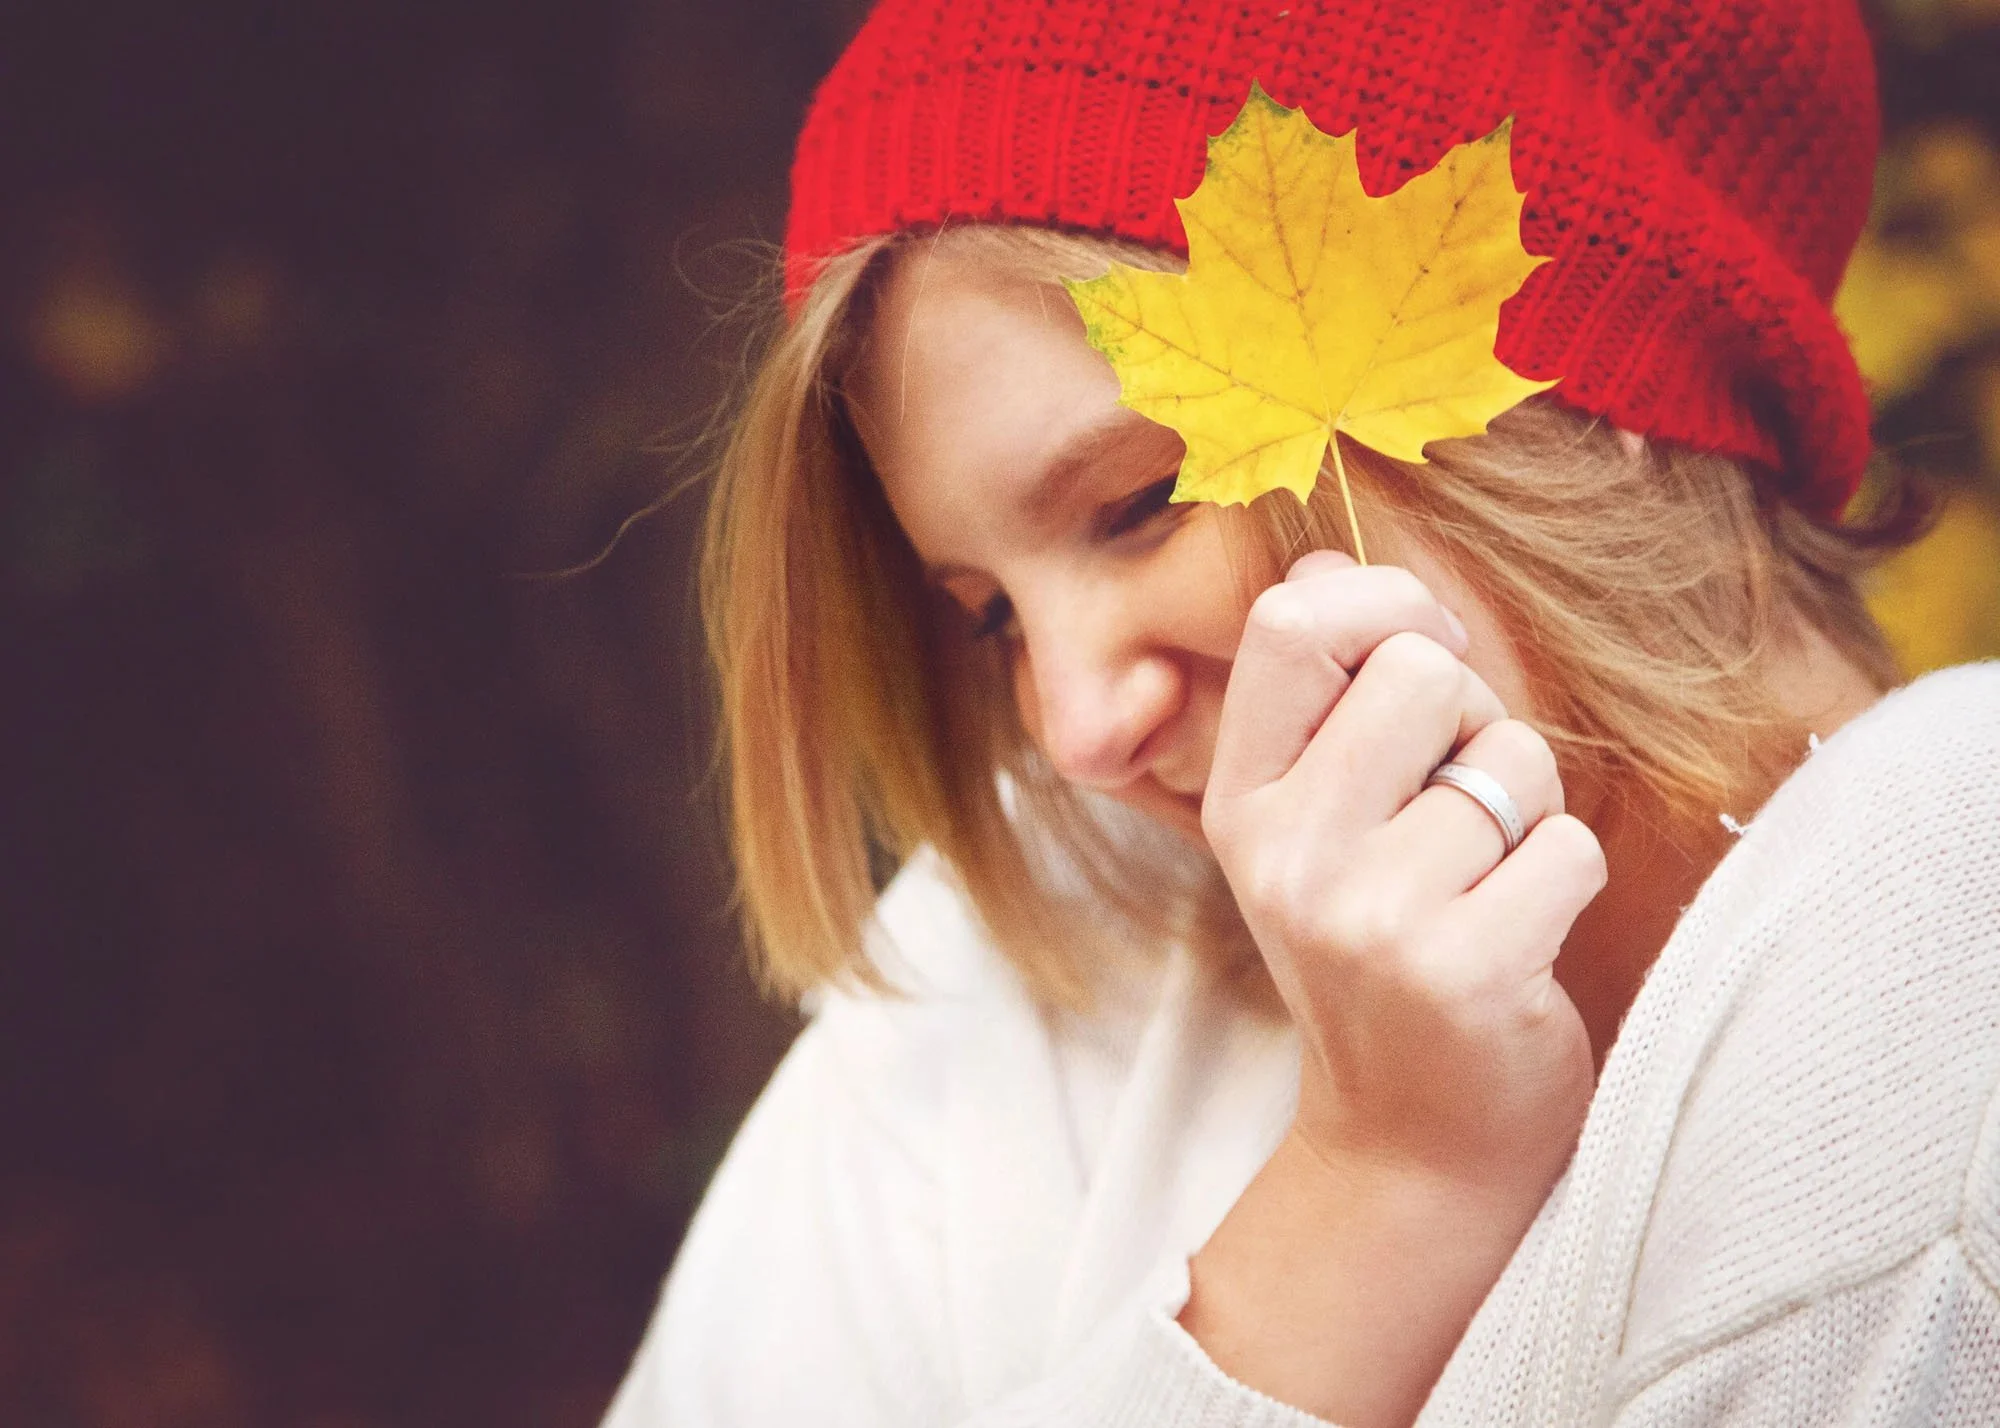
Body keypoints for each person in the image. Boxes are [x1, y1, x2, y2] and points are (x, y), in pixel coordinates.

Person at [603, 1, 2000, 1423]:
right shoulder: (1031, 946)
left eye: (1141, 505)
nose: (1075, 731)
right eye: (988, 618)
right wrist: (1379, 1189)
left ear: (1602, 385)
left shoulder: (1938, 963)